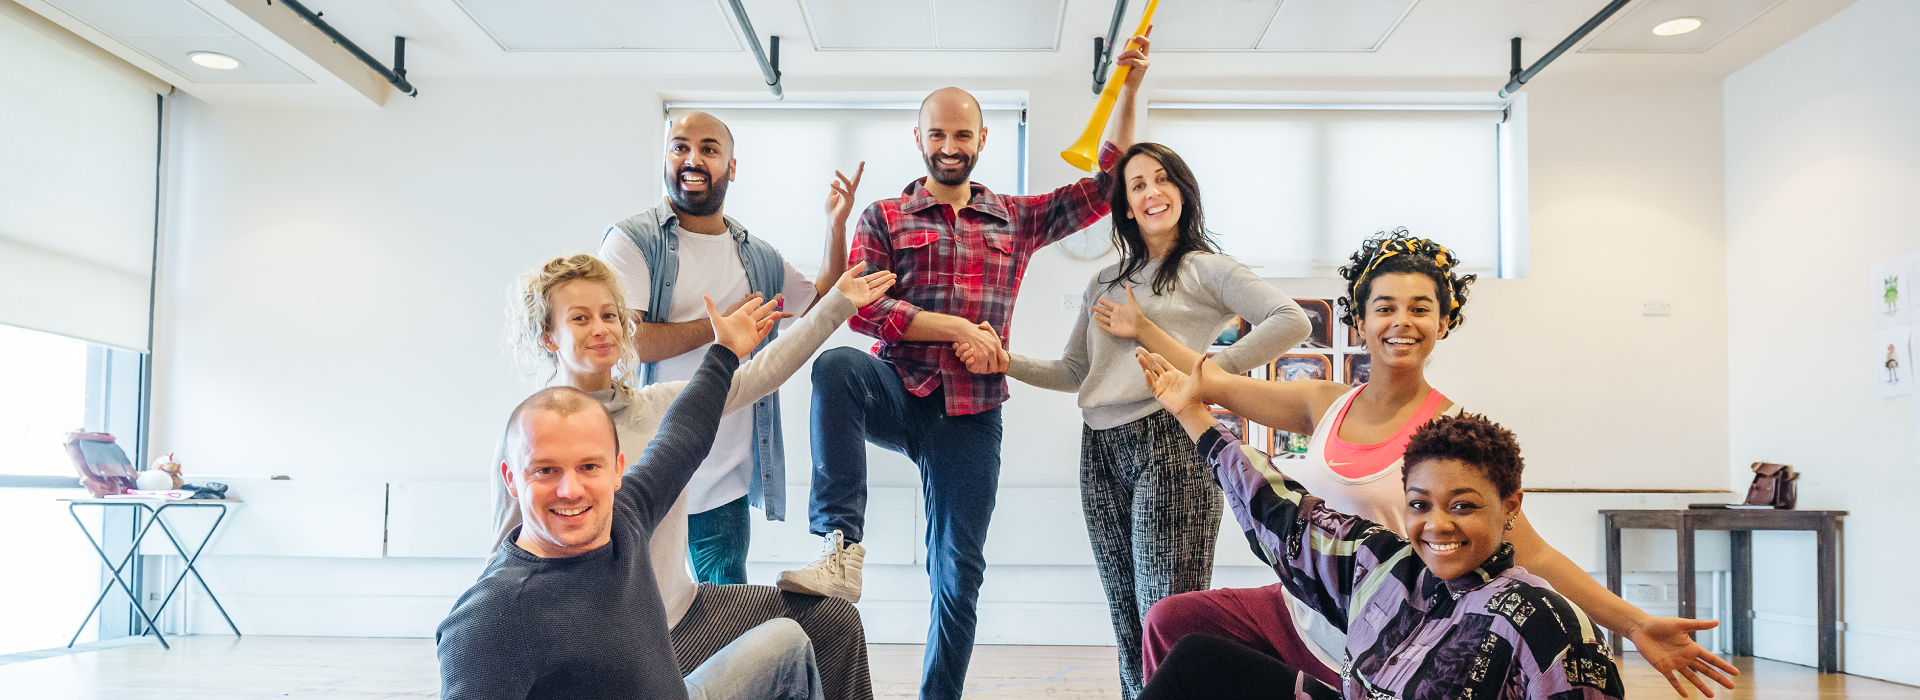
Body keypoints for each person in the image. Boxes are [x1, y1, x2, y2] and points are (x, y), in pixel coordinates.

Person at [1128, 231, 1739, 697]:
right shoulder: (1325, 402)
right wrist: (1142, 327)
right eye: (1385, 307)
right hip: (1295, 600)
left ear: (1443, 322)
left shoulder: (1448, 440)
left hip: (1371, 628)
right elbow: (1207, 384)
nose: (1402, 322)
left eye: (1421, 308)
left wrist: (1633, 624)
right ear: (1359, 320)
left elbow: (1535, 553)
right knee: (1171, 620)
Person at [773, 34, 1154, 700]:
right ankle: (840, 548)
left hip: (972, 412)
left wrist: (1126, 86)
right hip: (897, 387)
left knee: (958, 571)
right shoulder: (884, 215)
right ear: (918, 137)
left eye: (963, 134)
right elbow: (862, 312)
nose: (950, 145)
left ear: (981, 140)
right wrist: (950, 327)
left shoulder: (1016, 218)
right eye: (938, 133)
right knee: (835, 365)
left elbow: (1109, 183)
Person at [968, 142, 1310, 699]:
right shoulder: (1103, 281)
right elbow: (1076, 370)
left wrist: (1204, 374)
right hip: (1099, 445)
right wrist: (1008, 362)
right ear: (1123, 204)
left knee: (1166, 615)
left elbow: (1290, 320)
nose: (1152, 193)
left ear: (1183, 189)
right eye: (1137, 185)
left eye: (1162, 179)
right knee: (1128, 621)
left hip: (1171, 440)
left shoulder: (1206, 269)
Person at [489, 254, 895, 700]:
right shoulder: (529, 438)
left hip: (684, 612)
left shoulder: (661, 407)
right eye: (580, 318)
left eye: (609, 315)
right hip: (613, 648)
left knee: (833, 620)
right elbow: (501, 561)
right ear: (549, 336)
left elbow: (760, 374)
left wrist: (837, 304)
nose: (601, 328)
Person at [1135, 367, 1624, 700]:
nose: (1437, 525)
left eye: (1463, 506)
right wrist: (1192, 414)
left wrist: (1637, 626)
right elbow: (1281, 511)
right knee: (1195, 657)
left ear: (1508, 507)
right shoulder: (1383, 564)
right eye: (1419, 505)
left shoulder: (1545, 621)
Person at [438, 292, 815, 700]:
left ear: (617, 470)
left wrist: (724, 351)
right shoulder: (492, 618)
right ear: (511, 480)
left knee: (788, 642)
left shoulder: (625, 518)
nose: (571, 490)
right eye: (546, 470)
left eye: (588, 467)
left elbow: (682, 437)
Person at [599, 110, 865, 585]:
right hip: (649, 471)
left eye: (708, 148)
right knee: (641, 609)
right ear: (665, 157)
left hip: (724, 480)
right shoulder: (631, 241)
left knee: (724, 621)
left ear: (731, 167)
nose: (692, 158)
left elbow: (819, 306)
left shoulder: (757, 256)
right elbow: (626, 342)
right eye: (679, 146)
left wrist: (835, 225)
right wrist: (718, 331)